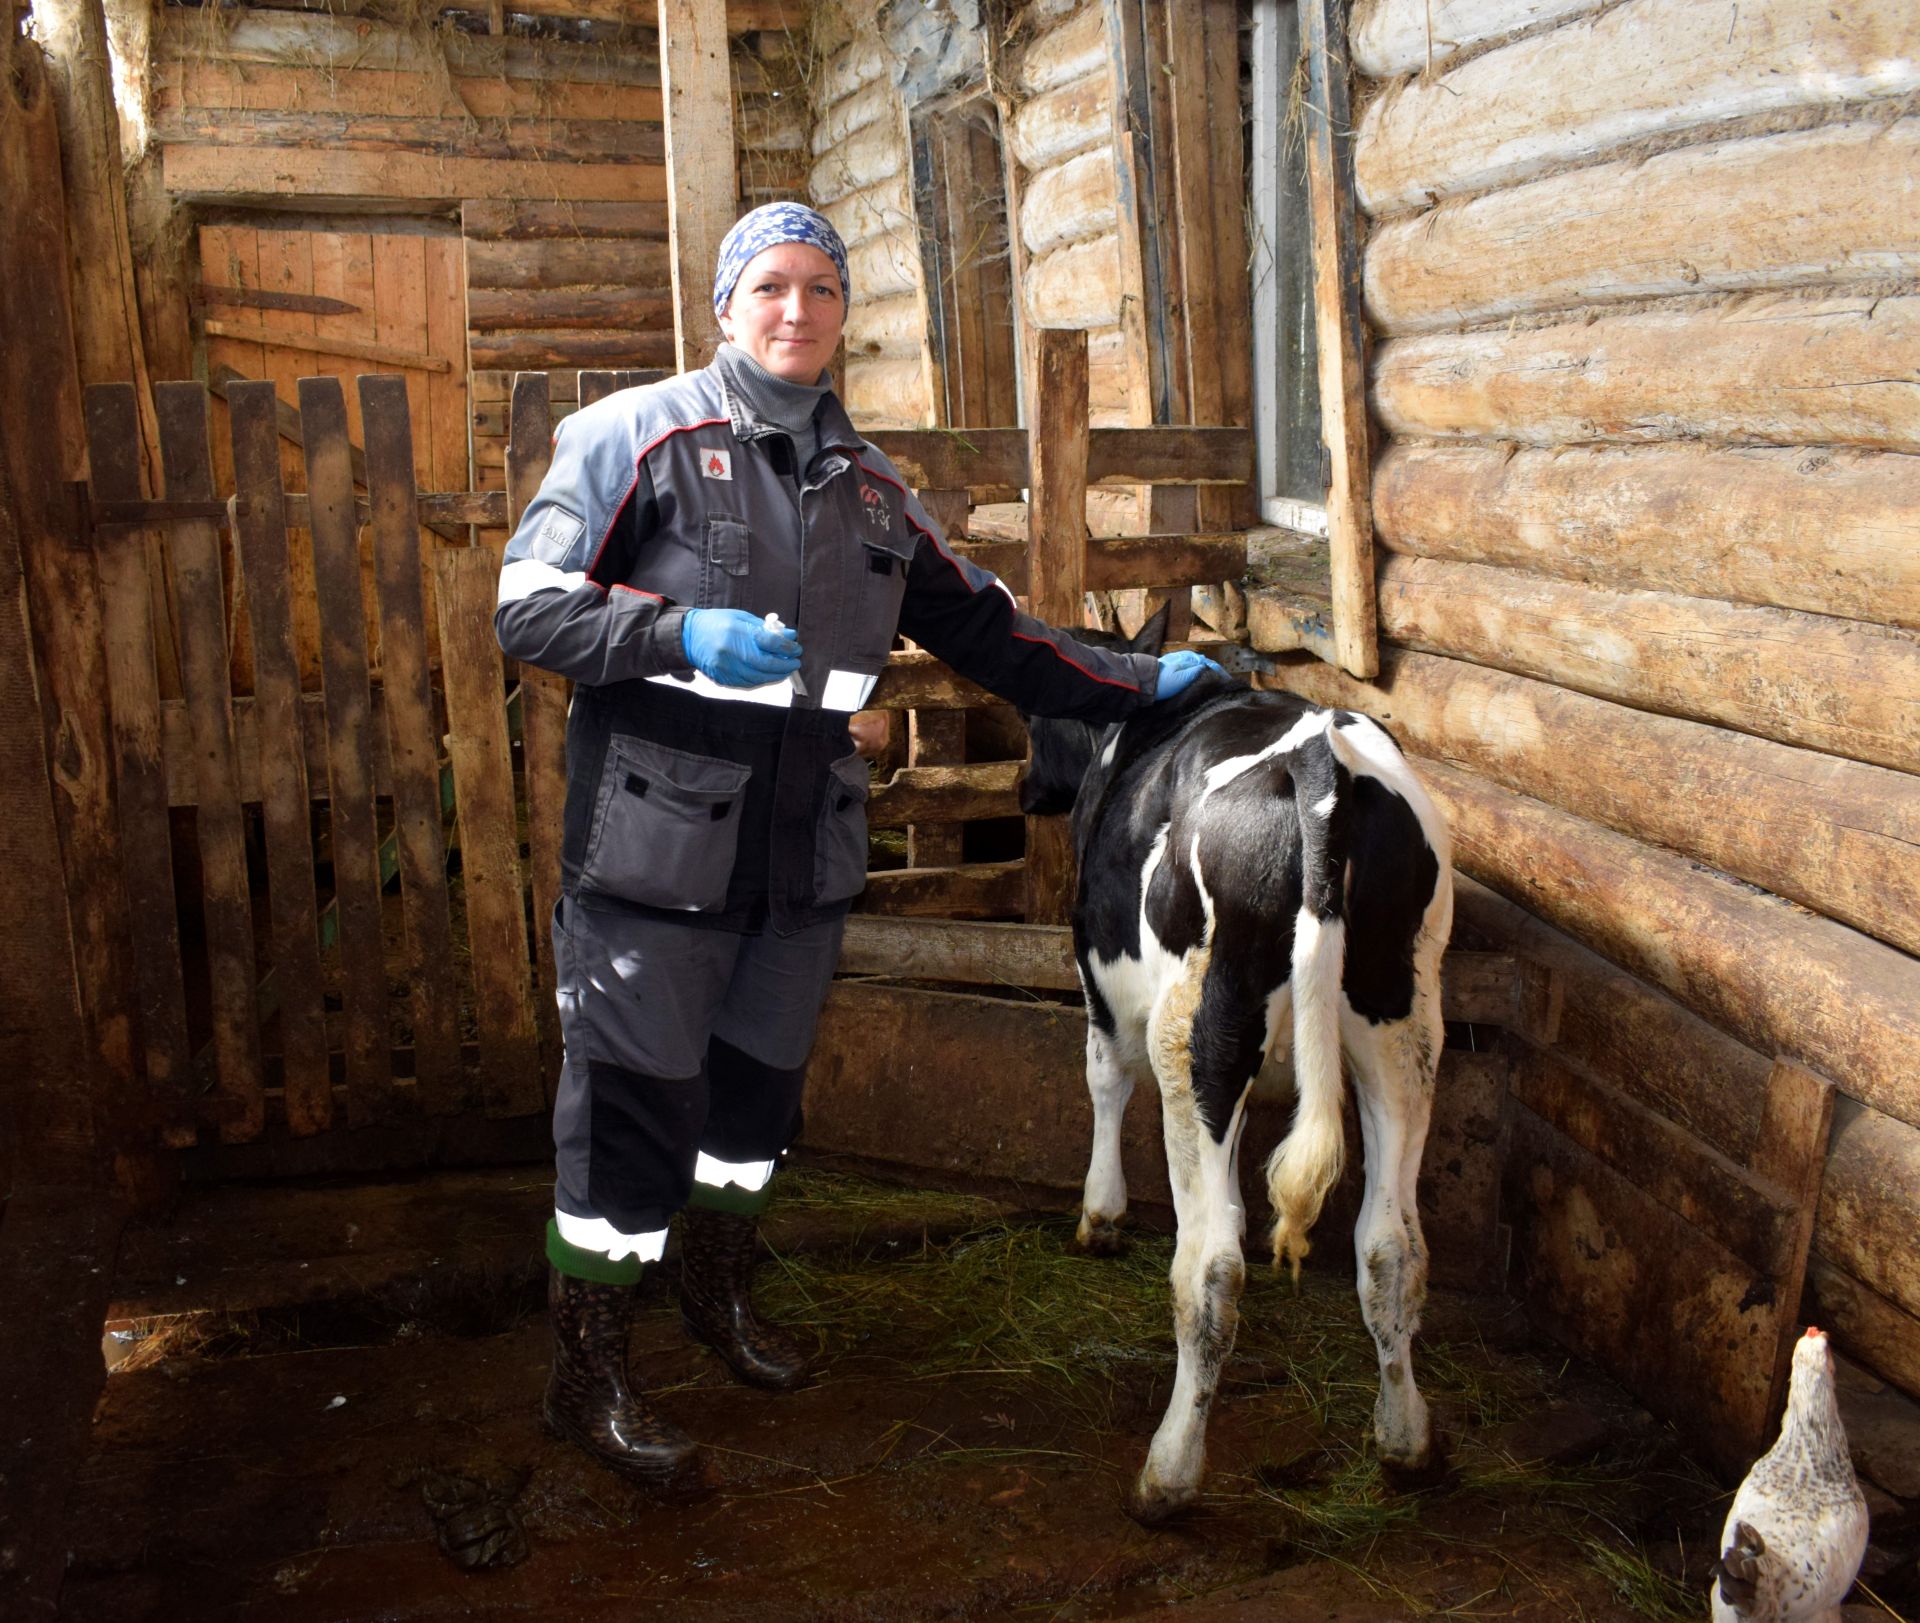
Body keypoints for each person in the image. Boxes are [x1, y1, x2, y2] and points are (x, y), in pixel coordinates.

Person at [494, 201, 1224, 1486]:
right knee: (629, 1116)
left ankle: (717, 1299)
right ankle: (587, 1372)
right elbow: (529, 606)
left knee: (753, 1110)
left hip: (801, 858)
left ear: (842, 314)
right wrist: (673, 637)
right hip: (656, 856)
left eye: (820, 289)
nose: (796, 310)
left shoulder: (872, 490)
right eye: (770, 286)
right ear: (726, 304)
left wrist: (1139, 681)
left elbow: (996, 637)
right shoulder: (635, 439)